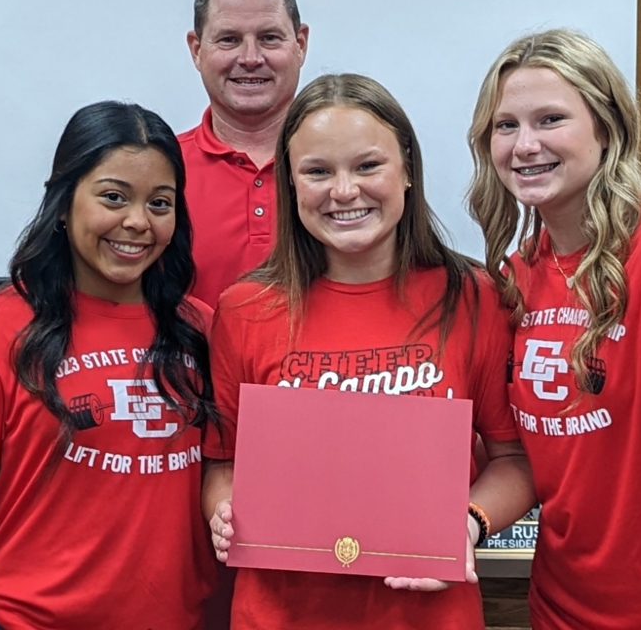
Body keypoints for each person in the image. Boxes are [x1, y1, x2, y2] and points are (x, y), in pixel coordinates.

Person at [202, 73, 536, 630]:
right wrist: (223, 511)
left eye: (367, 166)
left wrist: (468, 522)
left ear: (407, 169)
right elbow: (222, 462)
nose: (344, 191)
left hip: (428, 616)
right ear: (290, 184)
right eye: (317, 171)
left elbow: (514, 460)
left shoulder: (473, 297)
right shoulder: (244, 309)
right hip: (279, 615)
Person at [467, 28, 641, 630]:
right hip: (558, 610)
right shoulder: (518, 275)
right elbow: (524, 451)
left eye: (550, 119)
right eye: (505, 125)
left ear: (607, 126)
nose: (525, 144)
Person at [0, 101, 219, 630]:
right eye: (114, 197)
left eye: (160, 203)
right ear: (64, 204)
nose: (137, 221)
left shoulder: (202, 330)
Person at [180, 0, 309, 309]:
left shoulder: (348, 171)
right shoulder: (160, 173)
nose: (250, 58)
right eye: (229, 40)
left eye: (269, 38)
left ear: (300, 44)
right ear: (197, 50)